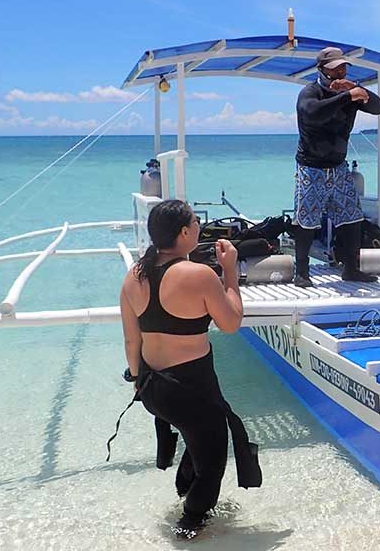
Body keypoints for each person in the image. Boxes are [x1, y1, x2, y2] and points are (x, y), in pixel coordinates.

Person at [119, 199, 245, 537]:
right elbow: (231, 322)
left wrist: (135, 378)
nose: (200, 227)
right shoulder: (200, 275)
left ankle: (182, 490)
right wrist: (229, 270)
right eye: (196, 223)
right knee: (213, 466)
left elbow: (132, 342)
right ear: (185, 232)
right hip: (191, 387)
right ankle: (188, 529)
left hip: (151, 388)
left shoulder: (134, 275)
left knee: (197, 440)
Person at [292, 46, 380, 288]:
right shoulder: (309, 93)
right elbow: (313, 114)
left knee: (352, 218)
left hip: (338, 167)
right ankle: (301, 272)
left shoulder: (350, 92)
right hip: (311, 168)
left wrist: (358, 90)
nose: (340, 72)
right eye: (335, 68)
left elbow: (378, 107)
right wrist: (347, 97)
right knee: (306, 220)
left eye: (343, 67)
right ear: (322, 70)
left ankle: (351, 269)